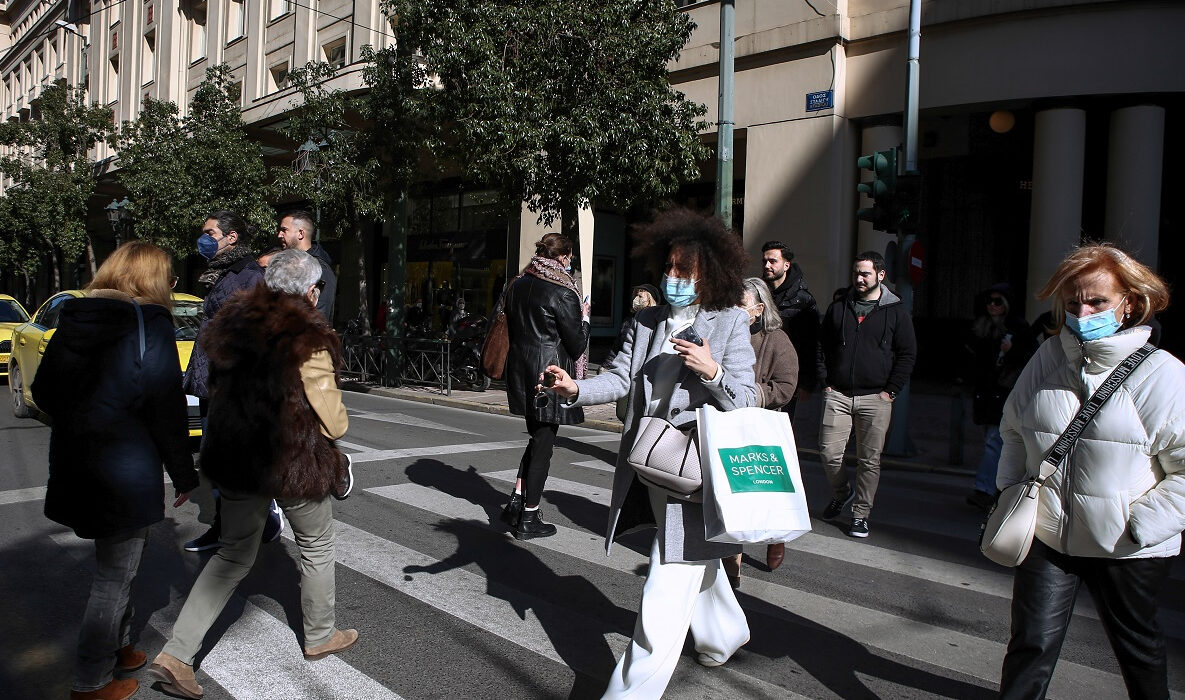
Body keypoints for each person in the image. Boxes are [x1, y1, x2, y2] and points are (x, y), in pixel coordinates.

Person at [544, 207, 757, 699]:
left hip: (695, 470)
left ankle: (628, 693)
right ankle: (726, 632)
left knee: (665, 586)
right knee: (693, 562)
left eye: (684, 270)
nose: (672, 278)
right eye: (668, 268)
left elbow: (748, 399)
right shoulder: (646, 321)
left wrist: (712, 372)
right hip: (651, 462)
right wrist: (575, 387)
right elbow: (621, 377)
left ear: (709, 274)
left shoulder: (728, 324)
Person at [150, 250, 356, 699]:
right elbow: (333, 420)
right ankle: (320, 636)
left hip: (237, 458)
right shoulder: (307, 334)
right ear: (310, 291)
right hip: (292, 459)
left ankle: (177, 654)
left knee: (232, 555)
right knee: (316, 544)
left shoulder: (231, 325)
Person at [997, 243, 1185, 700]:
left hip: (1124, 544)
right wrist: (1012, 494)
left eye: (1097, 301)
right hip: (1049, 535)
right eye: (1073, 300)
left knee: (1137, 649)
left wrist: (1139, 525)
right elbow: (1015, 430)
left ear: (1130, 302)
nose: (1082, 311)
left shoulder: (1162, 373)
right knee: (1030, 645)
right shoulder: (1048, 357)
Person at [32, 241, 199, 700]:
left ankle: (121, 645)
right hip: (126, 468)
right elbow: (166, 407)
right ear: (151, 278)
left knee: (114, 563)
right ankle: (90, 682)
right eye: (168, 275)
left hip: (77, 462)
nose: (171, 283)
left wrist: (87, 415)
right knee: (115, 575)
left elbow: (44, 391)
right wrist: (184, 474)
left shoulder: (75, 316)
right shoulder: (152, 322)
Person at [183, 211, 282, 552]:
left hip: (229, 388)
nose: (204, 238)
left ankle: (251, 522)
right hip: (212, 384)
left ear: (232, 237)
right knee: (218, 461)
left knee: (225, 462)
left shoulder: (247, 276)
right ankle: (237, 524)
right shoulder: (223, 274)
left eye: (210, 232)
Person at [816, 251, 917, 539]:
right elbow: (822, 346)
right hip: (839, 394)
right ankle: (842, 491)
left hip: (876, 397)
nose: (859, 279)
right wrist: (825, 381)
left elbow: (908, 354)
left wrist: (891, 391)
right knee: (829, 453)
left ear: (880, 275)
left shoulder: (896, 311)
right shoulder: (839, 307)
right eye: (856, 273)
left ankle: (860, 514)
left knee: (869, 460)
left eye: (866, 274)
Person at [499, 232, 590, 540]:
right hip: (549, 375)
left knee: (537, 439)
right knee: (544, 445)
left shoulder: (517, 284)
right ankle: (528, 517)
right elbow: (577, 344)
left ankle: (516, 500)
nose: (571, 264)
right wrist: (586, 318)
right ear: (562, 257)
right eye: (570, 258)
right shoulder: (562, 292)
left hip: (521, 370)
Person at [721, 276, 799, 589]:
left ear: (758, 309)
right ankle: (731, 566)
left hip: (761, 429)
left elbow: (786, 386)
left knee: (765, 494)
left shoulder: (777, 340)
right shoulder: (723, 334)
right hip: (727, 425)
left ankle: (776, 537)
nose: (733, 311)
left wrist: (754, 394)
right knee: (731, 499)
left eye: (740, 305)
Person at [964, 283, 1035, 511]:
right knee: (994, 442)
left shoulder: (1017, 327)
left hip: (1005, 395)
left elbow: (1028, 358)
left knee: (994, 442)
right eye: (989, 302)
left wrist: (1011, 350)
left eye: (998, 302)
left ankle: (985, 489)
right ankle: (996, 488)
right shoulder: (983, 328)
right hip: (986, 395)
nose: (992, 306)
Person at [761, 240, 819, 413]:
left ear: (786, 265)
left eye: (772, 261)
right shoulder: (758, 293)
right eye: (764, 261)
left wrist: (807, 383)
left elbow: (810, 345)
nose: (767, 265)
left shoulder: (802, 300)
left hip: (786, 375)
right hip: (759, 373)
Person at [277, 209, 337, 323]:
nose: (279, 235)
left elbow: (320, 315)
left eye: (284, 230)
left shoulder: (320, 269)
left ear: (301, 233)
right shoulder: (287, 263)